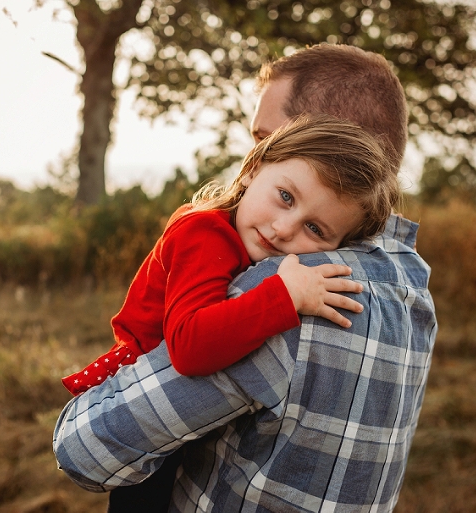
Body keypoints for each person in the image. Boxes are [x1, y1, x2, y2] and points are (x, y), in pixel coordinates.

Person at [54, 44, 438, 513]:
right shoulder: (412, 288)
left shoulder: (295, 277)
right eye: (282, 193)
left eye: (264, 137)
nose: (284, 229)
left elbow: (84, 451)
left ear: (328, 140)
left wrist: (279, 297)